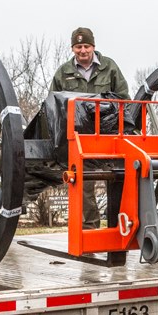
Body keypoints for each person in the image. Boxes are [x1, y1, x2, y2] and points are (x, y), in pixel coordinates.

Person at [50, 27, 130, 229]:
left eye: (86, 46)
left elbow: (123, 98)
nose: (82, 50)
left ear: (93, 46)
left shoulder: (109, 67)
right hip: (79, 137)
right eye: (78, 47)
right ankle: (90, 227)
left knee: (120, 177)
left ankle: (119, 224)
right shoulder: (63, 73)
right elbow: (54, 104)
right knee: (84, 183)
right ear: (72, 48)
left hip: (109, 134)